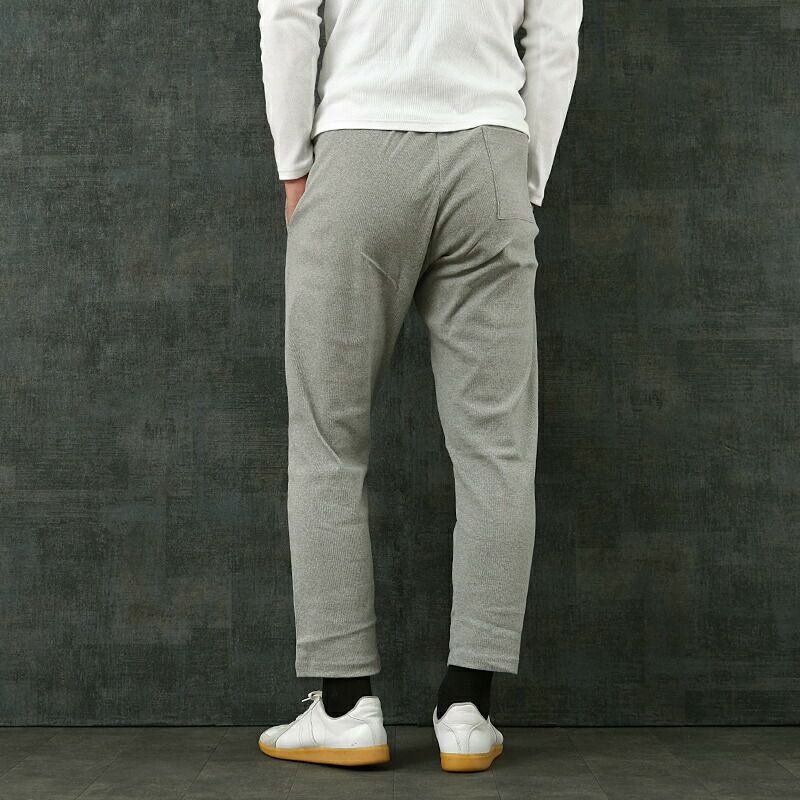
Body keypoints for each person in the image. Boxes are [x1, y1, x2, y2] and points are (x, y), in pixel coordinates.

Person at [256, 0, 582, 773]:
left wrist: (293, 165)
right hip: (491, 150)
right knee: (497, 450)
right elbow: (556, 34)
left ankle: (344, 709)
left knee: (328, 440)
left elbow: (289, 13)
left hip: (358, 148)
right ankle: (469, 709)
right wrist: (526, 179)